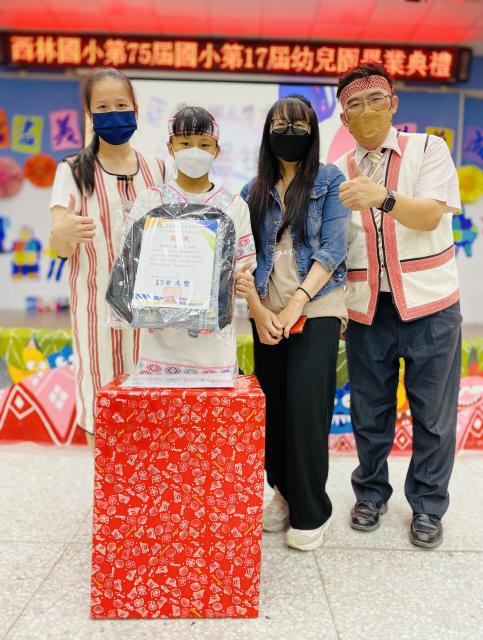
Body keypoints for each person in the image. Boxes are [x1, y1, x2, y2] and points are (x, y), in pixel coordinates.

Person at [335, 63, 462, 549]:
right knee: (370, 411)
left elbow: (429, 216)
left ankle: (428, 505)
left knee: (433, 414)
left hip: (431, 305)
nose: (366, 110)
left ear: (393, 104)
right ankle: (370, 493)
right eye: (354, 104)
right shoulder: (337, 171)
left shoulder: (429, 149)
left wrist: (382, 197)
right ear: (343, 118)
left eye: (375, 99)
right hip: (368, 309)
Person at [241, 94, 349, 551]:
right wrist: (258, 309)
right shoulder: (252, 191)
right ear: (267, 133)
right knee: (274, 411)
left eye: (300, 126)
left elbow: (334, 248)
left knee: (306, 410)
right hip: (266, 313)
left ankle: (312, 511)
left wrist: (295, 306)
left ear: (313, 133)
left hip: (317, 307)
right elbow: (243, 258)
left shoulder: (329, 179)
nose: (290, 133)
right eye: (280, 125)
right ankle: (284, 494)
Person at [49, 68, 165, 449]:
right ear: (89, 115)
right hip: (96, 315)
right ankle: (106, 484)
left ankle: (143, 481)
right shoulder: (72, 171)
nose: (113, 114)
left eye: (121, 105)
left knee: (148, 409)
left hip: (151, 320)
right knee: (100, 402)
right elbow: (59, 244)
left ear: (135, 109)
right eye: (102, 107)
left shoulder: (157, 168)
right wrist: (62, 234)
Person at [130, 105, 255, 386]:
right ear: (170, 147)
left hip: (214, 354)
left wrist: (241, 282)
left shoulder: (234, 206)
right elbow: (130, 268)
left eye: (204, 144)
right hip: (159, 350)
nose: (194, 151)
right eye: (185, 143)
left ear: (216, 151)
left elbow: (243, 269)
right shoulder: (151, 201)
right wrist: (146, 304)